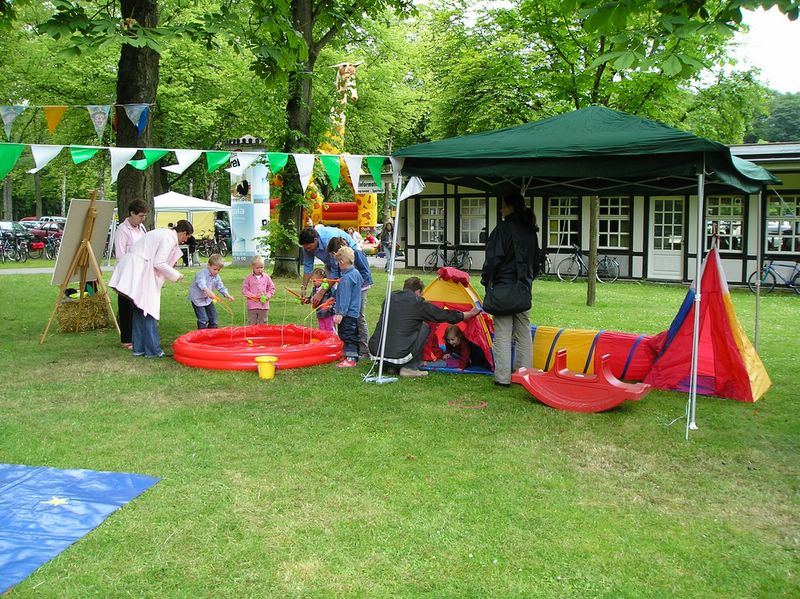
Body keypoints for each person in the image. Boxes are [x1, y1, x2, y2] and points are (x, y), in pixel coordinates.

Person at [109, 220, 194, 358]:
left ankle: (139, 348)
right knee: (149, 309)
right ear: (184, 233)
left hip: (137, 269)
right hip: (140, 270)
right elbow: (159, 263)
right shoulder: (168, 238)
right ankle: (153, 350)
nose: (185, 240)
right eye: (187, 237)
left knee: (140, 308)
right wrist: (176, 275)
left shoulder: (164, 234)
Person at [480, 193, 540, 387]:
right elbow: (536, 261)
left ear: (511, 207)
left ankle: (503, 378)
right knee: (524, 333)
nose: (501, 209)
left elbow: (493, 259)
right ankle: (525, 375)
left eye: (503, 205)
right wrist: (527, 280)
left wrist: (486, 279)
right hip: (523, 288)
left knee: (503, 334)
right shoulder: (530, 230)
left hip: (503, 288)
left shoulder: (502, 229)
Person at [368, 276, 481, 378]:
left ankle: (390, 367)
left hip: (377, 353)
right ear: (418, 292)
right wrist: (469, 314)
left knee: (396, 326)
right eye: (422, 294)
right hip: (399, 354)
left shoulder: (390, 298)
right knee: (424, 327)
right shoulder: (417, 303)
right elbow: (442, 315)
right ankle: (409, 368)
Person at [299, 225, 373, 357]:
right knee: (339, 302)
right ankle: (342, 343)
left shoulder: (331, 242)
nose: (307, 250)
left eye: (309, 247)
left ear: (316, 240)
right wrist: (304, 288)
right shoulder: (310, 247)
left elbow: (336, 271)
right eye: (305, 248)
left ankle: (363, 349)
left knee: (357, 314)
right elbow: (308, 267)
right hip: (340, 269)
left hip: (352, 270)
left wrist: (321, 292)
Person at [113, 199, 148, 350]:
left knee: (138, 304)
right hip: (127, 271)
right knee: (126, 306)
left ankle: (138, 334)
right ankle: (126, 338)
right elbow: (120, 254)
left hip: (140, 270)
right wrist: (128, 270)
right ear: (132, 213)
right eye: (140, 216)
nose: (142, 219)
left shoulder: (142, 228)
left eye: (144, 216)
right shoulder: (123, 229)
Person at [332, 247, 363, 368]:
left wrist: (340, 313)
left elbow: (345, 298)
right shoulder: (356, 273)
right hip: (354, 312)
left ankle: (351, 358)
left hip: (347, 313)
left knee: (347, 335)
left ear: (342, 262)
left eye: (338, 262)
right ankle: (351, 355)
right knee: (352, 334)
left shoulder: (346, 278)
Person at [188, 254, 234, 329]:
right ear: (209, 265)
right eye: (215, 269)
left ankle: (213, 334)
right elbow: (201, 283)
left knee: (213, 318)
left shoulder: (216, 276)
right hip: (197, 299)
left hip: (207, 300)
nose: (216, 272)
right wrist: (208, 291)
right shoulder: (201, 273)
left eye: (218, 270)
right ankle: (202, 334)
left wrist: (227, 294)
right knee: (203, 319)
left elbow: (220, 286)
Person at [241, 255, 276, 325]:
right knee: (252, 323)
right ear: (252, 267)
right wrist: (253, 296)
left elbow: (272, 288)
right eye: (257, 268)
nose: (260, 269)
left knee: (263, 323)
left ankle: (262, 331)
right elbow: (244, 290)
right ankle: (252, 332)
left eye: (261, 267)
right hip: (252, 306)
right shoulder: (248, 278)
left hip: (263, 306)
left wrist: (267, 296)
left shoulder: (266, 277)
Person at [308, 267, 335, 332]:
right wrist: (307, 300)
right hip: (319, 313)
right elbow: (311, 298)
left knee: (329, 327)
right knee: (321, 328)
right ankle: (323, 337)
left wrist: (331, 304)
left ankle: (332, 337)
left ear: (321, 279)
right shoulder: (314, 289)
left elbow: (333, 297)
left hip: (328, 312)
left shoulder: (326, 288)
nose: (313, 283)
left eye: (314, 281)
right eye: (312, 281)